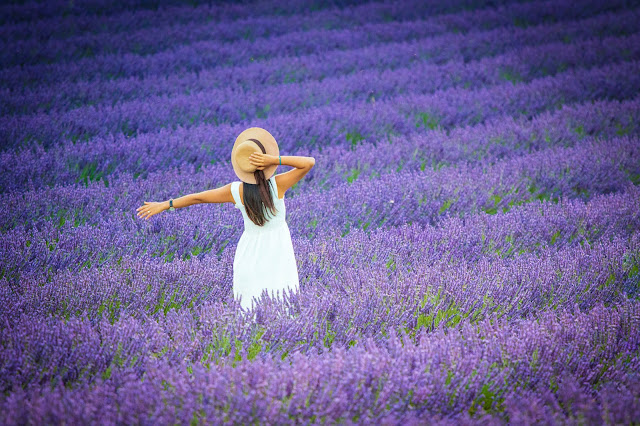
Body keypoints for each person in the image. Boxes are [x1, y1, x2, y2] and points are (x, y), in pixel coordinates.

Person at [136, 127, 315, 311]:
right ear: (265, 160)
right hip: (278, 251)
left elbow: (199, 197)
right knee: (283, 302)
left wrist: (166, 204)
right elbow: (309, 162)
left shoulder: (236, 191)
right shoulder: (278, 185)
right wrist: (275, 160)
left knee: (249, 307)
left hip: (249, 253)